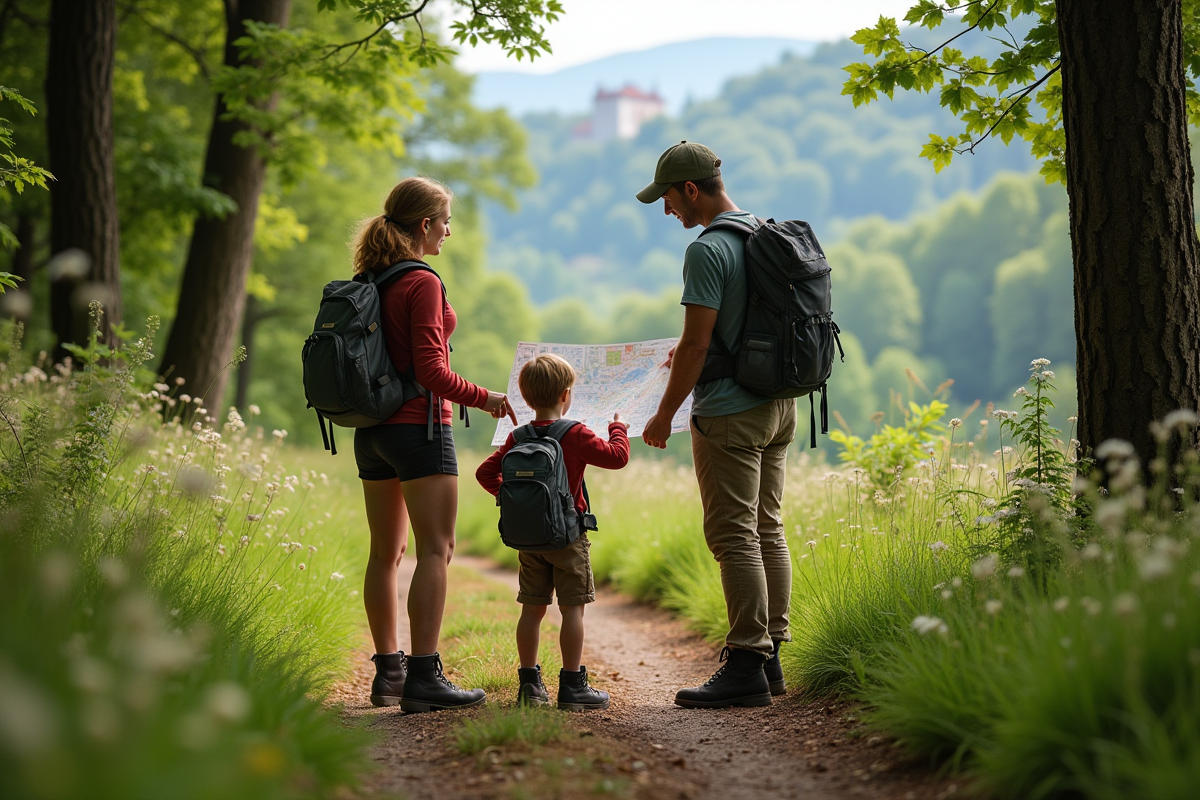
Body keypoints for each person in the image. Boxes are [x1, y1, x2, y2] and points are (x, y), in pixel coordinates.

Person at [637, 142, 796, 709]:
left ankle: (747, 661)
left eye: (669, 198)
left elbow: (698, 341)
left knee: (733, 536)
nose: (667, 211)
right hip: (778, 403)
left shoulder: (706, 250)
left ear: (691, 190)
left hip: (729, 410)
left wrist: (663, 413)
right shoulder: (761, 232)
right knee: (767, 528)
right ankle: (772, 655)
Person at [354, 176, 518, 714]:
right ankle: (425, 677)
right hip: (419, 431)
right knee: (436, 550)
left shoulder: (371, 277)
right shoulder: (422, 281)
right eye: (445, 221)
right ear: (425, 224)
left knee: (385, 553)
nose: (449, 231)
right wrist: (488, 398)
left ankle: (389, 675)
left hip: (371, 431)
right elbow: (431, 370)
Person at [475, 353, 629, 710]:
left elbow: (485, 473)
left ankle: (529, 685)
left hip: (530, 539)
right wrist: (617, 427)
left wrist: (515, 501)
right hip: (568, 538)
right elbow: (617, 457)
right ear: (565, 395)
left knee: (531, 609)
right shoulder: (574, 432)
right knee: (572, 610)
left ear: (527, 398)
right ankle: (573, 687)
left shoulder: (518, 436)